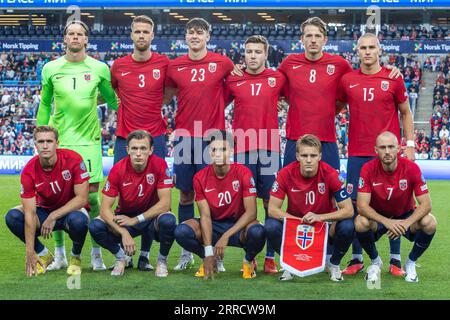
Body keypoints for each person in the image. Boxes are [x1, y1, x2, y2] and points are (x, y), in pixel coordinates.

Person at [36, 20, 118, 271]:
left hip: (89, 141)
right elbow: (45, 104)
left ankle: (96, 253)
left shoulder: (100, 68)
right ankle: (60, 254)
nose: (74, 37)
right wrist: (40, 134)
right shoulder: (50, 68)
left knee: (92, 198)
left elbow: (114, 101)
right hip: (60, 140)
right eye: (70, 33)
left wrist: (135, 119)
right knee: (56, 197)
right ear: (64, 39)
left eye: (79, 34)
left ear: (86, 40)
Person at [276, 17, 400, 170]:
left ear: (325, 39)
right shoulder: (289, 63)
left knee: (331, 190)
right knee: (291, 188)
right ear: (302, 39)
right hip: (295, 138)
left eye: (318, 36)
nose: (313, 40)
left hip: (326, 139)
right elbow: (273, 86)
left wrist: (388, 70)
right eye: (309, 36)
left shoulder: (340, 65)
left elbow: (361, 78)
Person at [337, 33, 415, 276]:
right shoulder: (347, 80)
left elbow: (406, 112)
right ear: (357, 51)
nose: (367, 52)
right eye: (363, 48)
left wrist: (409, 144)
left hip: (388, 154)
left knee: (394, 203)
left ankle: (394, 259)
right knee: (356, 207)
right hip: (357, 154)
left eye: (372, 47)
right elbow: (334, 107)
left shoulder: (393, 78)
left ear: (380, 51)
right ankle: (358, 258)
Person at [164, 18, 234, 270]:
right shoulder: (174, 66)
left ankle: (216, 253)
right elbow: (166, 97)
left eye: (199, 32)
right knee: (185, 195)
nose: (194, 36)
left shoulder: (223, 62)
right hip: (184, 137)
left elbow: (237, 87)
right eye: (190, 32)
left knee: (212, 197)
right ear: (185, 37)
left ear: (208, 36)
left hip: (212, 138)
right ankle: (186, 253)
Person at [110, 15, 170, 271]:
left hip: (155, 134)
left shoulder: (164, 63)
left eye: (146, 32)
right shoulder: (119, 65)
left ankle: (145, 254)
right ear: (131, 35)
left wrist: (156, 105)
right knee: (124, 195)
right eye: (138, 32)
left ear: (152, 35)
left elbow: (170, 92)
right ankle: (123, 252)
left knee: (151, 197)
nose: (142, 36)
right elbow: (115, 91)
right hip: (125, 136)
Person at [224, 35, 286, 273]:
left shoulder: (277, 78)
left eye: (257, 52)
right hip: (243, 149)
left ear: (265, 54)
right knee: (246, 203)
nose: (252, 56)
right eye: (249, 51)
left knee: (271, 203)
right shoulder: (234, 79)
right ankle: (250, 256)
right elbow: (219, 100)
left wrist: (279, 101)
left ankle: (270, 256)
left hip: (270, 147)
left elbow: (293, 95)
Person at [174, 130, 266, 279]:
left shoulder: (243, 172)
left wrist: (226, 236)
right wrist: (209, 251)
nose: (218, 153)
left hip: (238, 227)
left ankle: (248, 260)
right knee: (181, 232)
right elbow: (205, 215)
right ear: (208, 152)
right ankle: (207, 259)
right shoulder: (199, 177)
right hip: (214, 225)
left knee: (258, 232)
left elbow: (251, 213)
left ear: (231, 150)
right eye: (213, 149)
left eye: (223, 149)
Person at [266, 134, 354, 281]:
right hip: (296, 228)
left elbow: (349, 210)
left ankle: (334, 264)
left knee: (348, 226)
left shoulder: (330, 174)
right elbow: (272, 209)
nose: (308, 160)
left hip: (324, 227)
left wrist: (319, 218)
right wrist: (300, 220)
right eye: (304, 155)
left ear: (319, 156)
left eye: (313, 155)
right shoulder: (285, 174)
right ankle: (289, 264)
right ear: (297, 156)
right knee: (270, 225)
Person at [89, 130, 176, 277]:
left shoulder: (160, 165)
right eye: (134, 148)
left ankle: (161, 261)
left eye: (143, 148)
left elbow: (165, 204)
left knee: (169, 220)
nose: (138, 153)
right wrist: (123, 233)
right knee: (95, 226)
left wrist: (136, 219)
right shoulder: (117, 169)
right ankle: (121, 257)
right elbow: (104, 210)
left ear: (151, 150)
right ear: (127, 150)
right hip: (125, 220)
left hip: (150, 219)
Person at [5, 126, 90, 276]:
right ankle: (44, 255)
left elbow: (82, 199)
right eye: (41, 141)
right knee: (12, 217)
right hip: (43, 211)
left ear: (57, 143)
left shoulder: (73, 159)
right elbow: (30, 214)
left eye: (49, 141)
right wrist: (30, 252)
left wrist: (53, 216)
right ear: (35, 144)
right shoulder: (29, 171)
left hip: (70, 210)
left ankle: (76, 256)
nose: (45, 145)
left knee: (79, 221)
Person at [355, 131, 436, 283]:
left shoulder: (412, 168)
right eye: (382, 147)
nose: (387, 151)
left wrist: (405, 223)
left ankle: (411, 262)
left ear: (398, 148)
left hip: (405, 215)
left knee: (430, 222)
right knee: (360, 222)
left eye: (391, 147)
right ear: (376, 150)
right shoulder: (367, 168)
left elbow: (426, 204)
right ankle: (375, 261)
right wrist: (387, 222)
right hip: (379, 218)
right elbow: (361, 206)